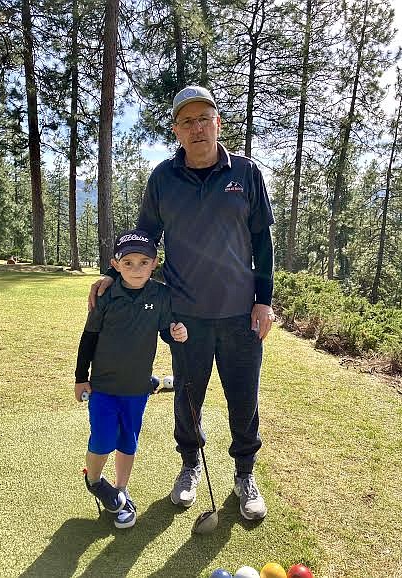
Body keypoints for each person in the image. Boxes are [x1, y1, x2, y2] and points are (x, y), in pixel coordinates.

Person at [89, 86, 275, 521]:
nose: (196, 128)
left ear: (218, 123)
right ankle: (190, 465)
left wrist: (263, 301)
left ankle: (245, 473)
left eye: (203, 119)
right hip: (184, 316)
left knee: (243, 399)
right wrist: (115, 274)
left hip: (239, 316)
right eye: (186, 122)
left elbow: (263, 240)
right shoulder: (163, 178)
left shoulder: (247, 173)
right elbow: (144, 239)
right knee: (188, 398)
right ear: (176, 130)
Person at [76, 229, 188, 529]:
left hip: (137, 387)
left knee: (128, 440)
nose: (136, 269)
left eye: (143, 262)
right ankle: (95, 479)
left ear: (155, 263)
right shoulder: (105, 294)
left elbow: (167, 331)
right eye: (128, 263)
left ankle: (121, 490)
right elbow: (89, 337)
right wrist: (80, 378)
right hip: (103, 385)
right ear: (115, 263)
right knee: (102, 439)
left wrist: (178, 333)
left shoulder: (162, 295)